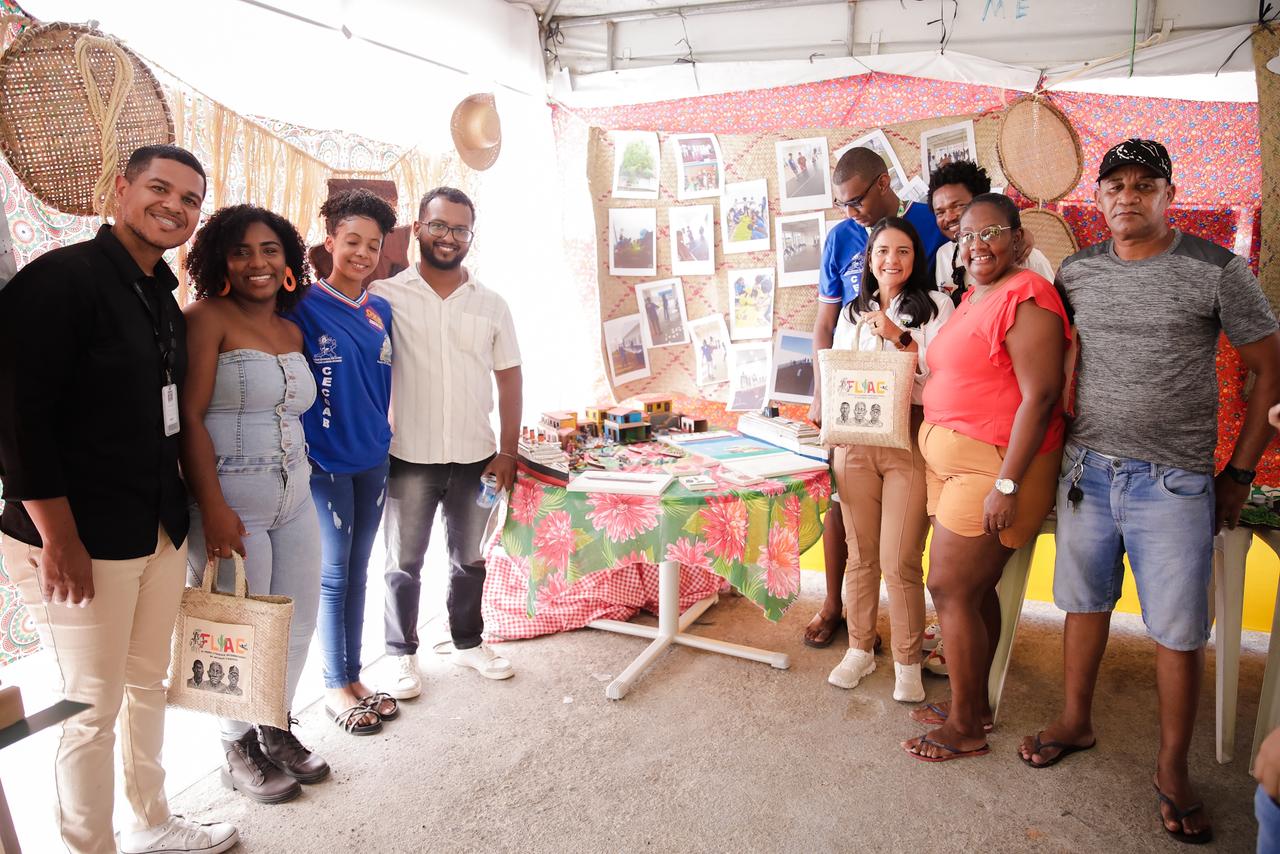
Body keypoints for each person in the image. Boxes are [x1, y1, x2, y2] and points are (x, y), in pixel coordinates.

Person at [1017, 139, 1280, 844]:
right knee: (1082, 601)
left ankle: (1173, 769)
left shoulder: (1218, 270)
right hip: (1086, 473)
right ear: (1098, 199)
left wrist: (1240, 471)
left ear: (1169, 195)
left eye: (1145, 185)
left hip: (1175, 481)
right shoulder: (1076, 272)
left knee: (1177, 631)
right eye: (1115, 186)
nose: (1128, 197)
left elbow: (1269, 371)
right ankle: (1076, 719)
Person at [0, 144, 237, 854]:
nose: (175, 206)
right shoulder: (60, 282)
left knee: (146, 681)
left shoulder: (157, 294)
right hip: (79, 536)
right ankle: (89, 846)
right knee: (88, 704)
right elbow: (17, 421)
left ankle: (153, 819)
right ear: (121, 190)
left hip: (152, 526)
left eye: (190, 199)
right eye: (159, 189)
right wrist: (60, 540)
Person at [904, 192, 1070, 762]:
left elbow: (1041, 395)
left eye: (990, 233)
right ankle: (973, 707)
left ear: (1019, 239)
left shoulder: (1029, 294)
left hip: (993, 466)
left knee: (948, 587)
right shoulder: (977, 296)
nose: (976, 246)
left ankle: (965, 727)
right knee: (971, 592)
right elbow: (956, 379)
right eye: (966, 237)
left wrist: (1007, 483)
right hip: (951, 463)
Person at [181, 204, 328, 804]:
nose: (257, 263)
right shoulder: (205, 318)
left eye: (269, 250)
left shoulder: (292, 328)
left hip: (295, 494)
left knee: (295, 621)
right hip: (230, 498)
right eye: (242, 251)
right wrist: (211, 506)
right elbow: (188, 416)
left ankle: (275, 724)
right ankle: (234, 745)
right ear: (221, 260)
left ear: (289, 260)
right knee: (233, 629)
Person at [372, 187, 523, 697]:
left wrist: (507, 451)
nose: (448, 237)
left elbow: (509, 379)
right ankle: (400, 655)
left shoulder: (492, 304)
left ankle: (467, 642)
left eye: (459, 229)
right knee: (402, 561)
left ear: (469, 238)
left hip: (475, 456)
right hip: (408, 455)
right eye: (438, 225)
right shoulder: (385, 298)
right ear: (418, 228)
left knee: (470, 558)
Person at [805, 146, 948, 650]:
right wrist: (822, 395)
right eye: (843, 205)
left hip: (910, 417)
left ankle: (919, 642)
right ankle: (837, 610)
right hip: (854, 411)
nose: (852, 212)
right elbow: (826, 323)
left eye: (857, 200)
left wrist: (899, 337)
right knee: (845, 514)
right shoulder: (840, 238)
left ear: (884, 183)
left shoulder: (931, 223)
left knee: (900, 548)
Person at [826, 217, 954, 702]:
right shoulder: (851, 311)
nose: (891, 260)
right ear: (870, 258)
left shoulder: (935, 306)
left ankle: (906, 662)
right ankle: (859, 649)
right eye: (882, 251)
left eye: (901, 251)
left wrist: (898, 334)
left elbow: (942, 373)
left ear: (914, 258)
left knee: (900, 559)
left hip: (908, 440)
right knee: (861, 557)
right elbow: (840, 372)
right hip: (855, 441)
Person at [288, 189, 400, 736]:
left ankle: (354, 677)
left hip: (374, 458)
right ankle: (334, 687)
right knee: (334, 575)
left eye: (372, 245)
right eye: (351, 241)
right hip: (324, 464)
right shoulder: (301, 306)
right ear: (330, 242)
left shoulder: (380, 310)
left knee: (359, 570)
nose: (362, 253)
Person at [928, 160, 1053, 301]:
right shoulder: (943, 255)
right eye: (940, 212)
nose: (949, 217)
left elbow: (1054, 308)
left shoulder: (1025, 255)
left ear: (982, 201)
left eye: (958, 206)